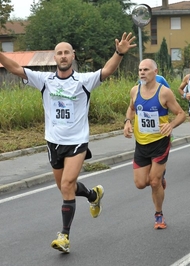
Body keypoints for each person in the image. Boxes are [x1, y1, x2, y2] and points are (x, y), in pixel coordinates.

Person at [0, 32, 136, 253]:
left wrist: (119, 52)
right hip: (53, 142)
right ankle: (93, 195)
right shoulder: (45, 80)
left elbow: (108, 70)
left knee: (66, 186)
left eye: (67, 52)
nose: (63, 56)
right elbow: (16, 69)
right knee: (67, 188)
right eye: (59, 53)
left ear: (73, 56)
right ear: (55, 57)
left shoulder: (83, 81)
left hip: (77, 142)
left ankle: (64, 236)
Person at [124, 59, 186, 229]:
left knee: (153, 182)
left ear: (155, 72)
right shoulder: (134, 91)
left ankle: (159, 215)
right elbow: (131, 108)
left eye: (146, 69)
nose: (142, 72)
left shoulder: (164, 92)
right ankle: (160, 178)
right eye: (140, 70)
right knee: (140, 184)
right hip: (141, 144)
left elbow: (181, 114)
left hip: (160, 142)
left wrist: (171, 125)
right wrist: (127, 121)